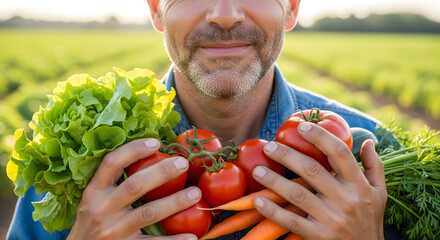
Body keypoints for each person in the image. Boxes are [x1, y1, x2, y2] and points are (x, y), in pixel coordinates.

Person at [8, 0, 400, 239]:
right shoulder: (70, 167)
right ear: (156, 8)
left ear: (292, 6)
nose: (225, 15)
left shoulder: (375, 156)